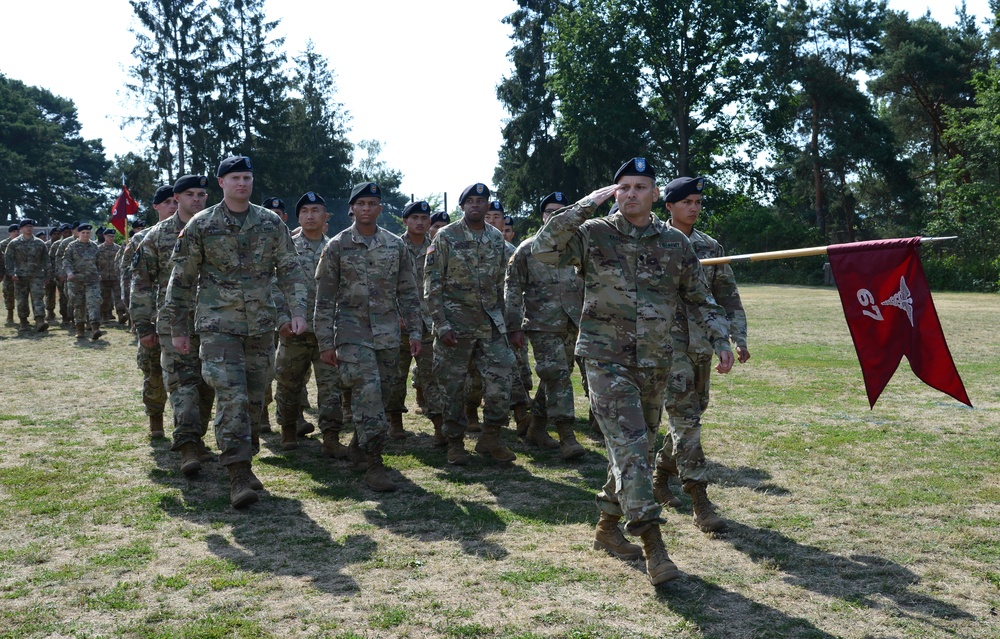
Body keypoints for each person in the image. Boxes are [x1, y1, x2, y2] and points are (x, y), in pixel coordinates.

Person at [531, 158, 733, 586]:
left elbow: (700, 297)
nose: (631, 194)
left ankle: (606, 527)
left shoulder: (676, 244)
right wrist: (586, 204)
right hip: (605, 360)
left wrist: (720, 338)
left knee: (633, 453)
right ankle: (654, 546)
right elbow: (544, 248)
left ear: (655, 194)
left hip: (656, 362)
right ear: (614, 192)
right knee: (631, 445)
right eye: (623, 187)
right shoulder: (592, 234)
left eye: (641, 187)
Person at [163, 156, 308, 509]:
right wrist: (178, 328)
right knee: (231, 395)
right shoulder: (201, 224)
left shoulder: (270, 222)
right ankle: (237, 471)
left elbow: (290, 270)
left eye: (247, 177)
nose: (242, 183)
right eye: (235, 178)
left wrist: (297, 310)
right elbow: (181, 280)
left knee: (255, 397)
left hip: (260, 325)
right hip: (217, 326)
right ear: (222, 183)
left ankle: (246, 455)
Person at [652, 176, 750, 533]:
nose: (693, 208)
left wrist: (735, 338)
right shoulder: (651, 241)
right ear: (669, 206)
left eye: (698, 202)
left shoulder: (711, 247)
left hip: (702, 345)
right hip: (665, 345)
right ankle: (700, 500)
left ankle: (661, 476)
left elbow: (728, 296)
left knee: (692, 413)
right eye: (686, 202)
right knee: (686, 419)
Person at [314, 182, 422, 491]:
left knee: (386, 394)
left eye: (372, 203)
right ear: (351, 208)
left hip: (388, 333)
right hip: (351, 332)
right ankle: (375, 464)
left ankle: (359, 445)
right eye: (360, 203)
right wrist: (325, 341)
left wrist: (415, 331)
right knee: (368, 391)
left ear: (380, 209)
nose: (365, 208)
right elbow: (324, 298)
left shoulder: (394, 245)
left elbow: (408, 292)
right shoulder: (336, 246)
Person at [424, 183, 518, 466]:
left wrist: (510, 325)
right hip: (455, 326)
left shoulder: (496, 239)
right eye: (471, 201)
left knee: (502, 381)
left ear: (488, 206)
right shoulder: (446, 236)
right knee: (453, 388)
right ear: (462, 205)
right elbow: (432, 285)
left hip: (490, 325)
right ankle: (455, 442)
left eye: (481, 201)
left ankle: (490, 437)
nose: (476, 205)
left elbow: (505, 283)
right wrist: (441, 325)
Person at [131, 175, 217, 473]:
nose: (197, 199)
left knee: (208, 386)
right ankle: (188, 445)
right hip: (172, 323)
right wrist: (143, 326)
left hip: (212, 321)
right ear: (177, 198)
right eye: (190, 194)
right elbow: (141, 284)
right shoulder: (155, 237)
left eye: (202, 194)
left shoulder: (216, 230)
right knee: (182, 385)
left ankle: (198, 438)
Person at [506, 191, 587, 459]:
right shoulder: (527, 249)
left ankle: (537, 428)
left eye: (562, 211)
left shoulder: (579, 246)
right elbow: (513, 289)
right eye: (551, 211)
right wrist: (513, 326)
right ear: (542, 216)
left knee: (554, 377)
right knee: (558, 375)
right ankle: (567, 435)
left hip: (573, 323)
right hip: (542, 325)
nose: (556, 215)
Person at [272, 191, 346, 458]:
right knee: (288, 382)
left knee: (331, 386)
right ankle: (288, 429)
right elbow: (274, 285)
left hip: (328, 332)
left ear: (325, 217)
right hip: (294, 331)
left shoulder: (337, 247)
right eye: (305, 211)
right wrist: (282, 319)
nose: (310, 215)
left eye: (316, 210)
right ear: (298, 217)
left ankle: (331, 436)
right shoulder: (286, 247)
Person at [385, 200, 436, 439]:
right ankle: (394, 422)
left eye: (424, 218)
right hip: (398, 324)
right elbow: (384, 285)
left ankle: (439, 424)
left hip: (428, 323)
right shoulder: (393, 247)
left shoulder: (436, 247)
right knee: (396, 375)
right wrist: (397, 315)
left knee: (432, 374)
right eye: (414, 218)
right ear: (405, 221)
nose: (419, 222)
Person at [4, 219, 50, 332]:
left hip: (36, 276)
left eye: (30, 226)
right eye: (26, 227)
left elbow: (46, 260)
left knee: (38, 298)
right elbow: (8, 259)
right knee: (22, 300)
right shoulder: (14, 243)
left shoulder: (40, 243)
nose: (28, 228)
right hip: (20, 277)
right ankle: (23, 322)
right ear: (21, 229)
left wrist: (48, 275)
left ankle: (40, 321)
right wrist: (11, 273)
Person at [63, 223, 106, 340]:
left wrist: (99, 274)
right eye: (83, 233)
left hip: (92, 280)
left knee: (94, 303)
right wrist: (69, 273)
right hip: (76, 281)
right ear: (78, 233)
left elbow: (98, 262)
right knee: (78, 305)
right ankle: (80, 329)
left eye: (88, 233)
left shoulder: (94, 247)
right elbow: (66, 261)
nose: (86, 235)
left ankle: (95, 328)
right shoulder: (71, 246)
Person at [97, 228, 127, 324]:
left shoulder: (118, 248)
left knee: (119, 297)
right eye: (109, 236)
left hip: (116, 277)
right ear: (104, 236)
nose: (111, 238)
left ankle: (121, 315)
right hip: (103, 277)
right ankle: (104, 316)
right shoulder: (98, 249)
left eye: (113, 236)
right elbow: (95, 262)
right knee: (104, 297)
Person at [1, 224, 18, 325]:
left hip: (21, 273)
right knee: (8, 294)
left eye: (17, 231)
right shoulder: (3, 244)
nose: (16, 233)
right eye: (14, 231)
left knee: (22, 296)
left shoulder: (21, 243)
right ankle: (10, 314)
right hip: (8, 274)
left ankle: (23, 316)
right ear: (10, 233)